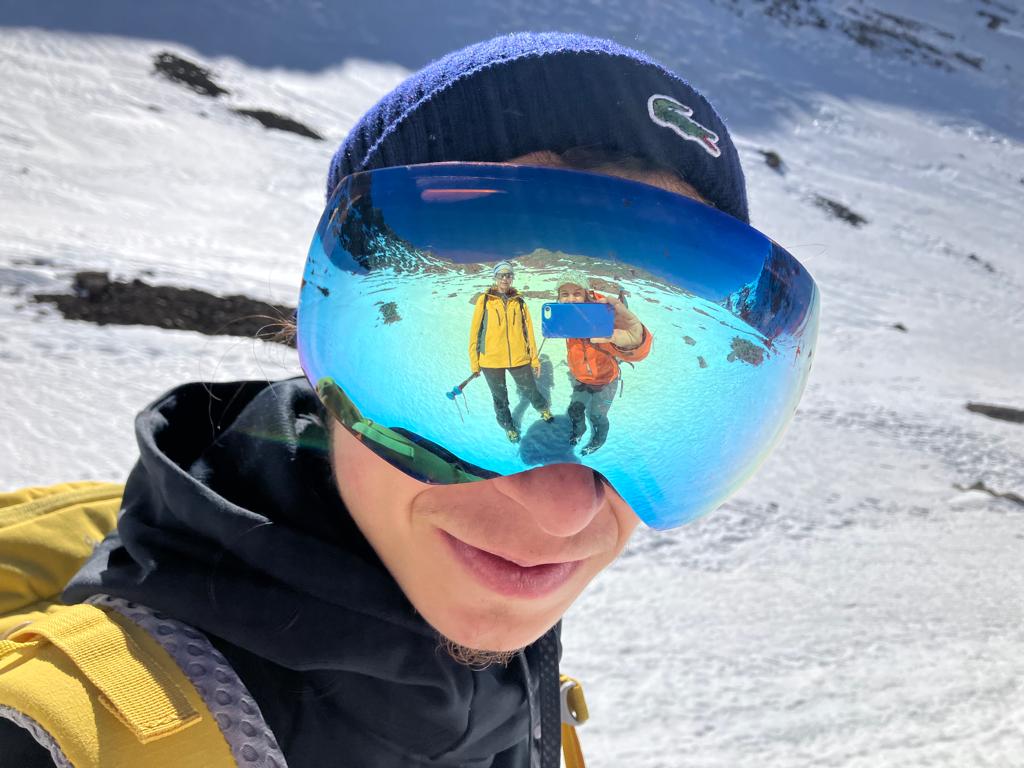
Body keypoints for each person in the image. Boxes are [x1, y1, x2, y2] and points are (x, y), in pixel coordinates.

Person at [0, 31, 818, 768]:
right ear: (322, 344)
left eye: (669, 410)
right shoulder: (54, 741)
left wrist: (619, 338)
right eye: (423, 371)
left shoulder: (514, 693)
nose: (564, 509)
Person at [556, 270, 648, 455]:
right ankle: (578, 432)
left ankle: (598, 440)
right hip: (581, 378)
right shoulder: (565, 316)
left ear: (586, 293)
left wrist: (637, 343)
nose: (571, 299)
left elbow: (631, 349)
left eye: (577, 293)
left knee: (597, 415)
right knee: (575, 410)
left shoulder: (604, 314)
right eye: (564, 294)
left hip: (606, 379)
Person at [469, 260, 553, 443]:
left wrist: (534, 359)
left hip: (519, 358)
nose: (505, 279)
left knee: (530, 389)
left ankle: (543, 409)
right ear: (495, 277)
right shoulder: (485, 300)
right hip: (491, 361)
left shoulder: (520, 302)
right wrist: (475, 363)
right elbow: (475, 332)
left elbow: (528, 332)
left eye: (508, 275)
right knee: (500, 398)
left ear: (512, 278)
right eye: (501, 275)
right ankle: (508, 426)